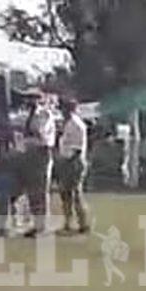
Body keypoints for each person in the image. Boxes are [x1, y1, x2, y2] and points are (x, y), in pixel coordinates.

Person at [21, 91, 56, 237]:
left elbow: (39, 132)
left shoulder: (44, 114)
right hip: (29, 152)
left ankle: (42, 226)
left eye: (32, 99)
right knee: (31, 190)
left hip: (41, 151)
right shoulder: (25, 115)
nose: (29, 101)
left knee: (41, 189)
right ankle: (35, 224)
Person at [55, 99, 89, 233]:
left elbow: (77, 149)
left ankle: (83, 223)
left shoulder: (76, 125)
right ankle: (68, 222)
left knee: (75, 193)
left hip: (74, 162)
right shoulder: (66, 124)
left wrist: (67, 164)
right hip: (65, 160)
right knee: (65, 193)